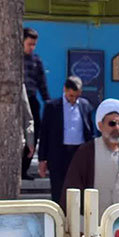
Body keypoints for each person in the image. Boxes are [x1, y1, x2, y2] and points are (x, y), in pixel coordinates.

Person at [62, 98, 119, 215]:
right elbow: (73, 187)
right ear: (100, 126)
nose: (117, 128)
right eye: (112, 123)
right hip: (96, 222)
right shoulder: (87, 151)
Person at [38, 76, 95, 204]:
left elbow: (90, 131)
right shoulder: (52, 107)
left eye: (76, 96)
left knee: (80, 186)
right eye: (71, 96)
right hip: (59, 154)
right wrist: (42, 159)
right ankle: (59, 213)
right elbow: (45, 134)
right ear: (65, 89)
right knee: (58, 188)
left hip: (79, 152)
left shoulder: (85, 105)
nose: (73, 99)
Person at [22, 27, 50, 179]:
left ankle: (24, 169)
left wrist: (47, 101)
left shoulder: (36, 60)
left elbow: (42, 83)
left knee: (33, 135)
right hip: (16, 102)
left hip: (32, 100)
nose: (32, 47)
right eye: (29, 44)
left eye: (34, 44)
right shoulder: (13, 60)